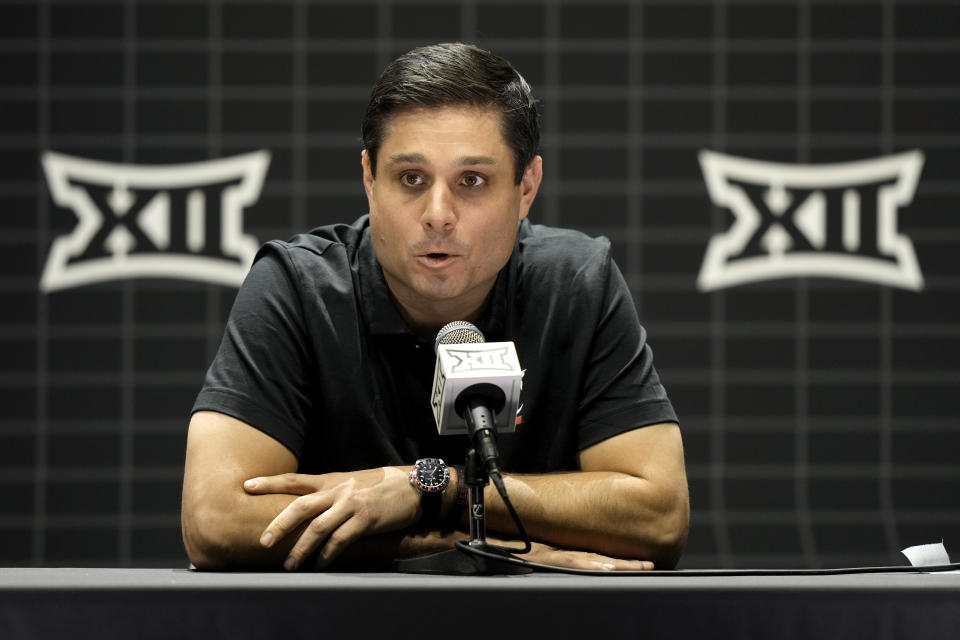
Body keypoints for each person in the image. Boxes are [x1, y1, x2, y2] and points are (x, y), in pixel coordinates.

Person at [181, 42, 688, 572]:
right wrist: (479, 548)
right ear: (369, 180)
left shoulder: (577, 283)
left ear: (526, 188)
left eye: (472, 181)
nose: (438, 214)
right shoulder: (296, 288)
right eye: (411, 179)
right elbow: (216, 521)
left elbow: (659, 517)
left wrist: (433, 488)